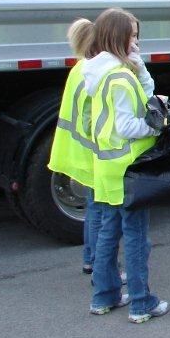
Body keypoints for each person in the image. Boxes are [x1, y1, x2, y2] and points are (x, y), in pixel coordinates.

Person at [84, 8, 169, 323]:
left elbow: (145, 92)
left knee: (109, 230)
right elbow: (127, 125)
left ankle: (103, 296)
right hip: (127, 168)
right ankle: (141, 303)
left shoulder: (102, 70)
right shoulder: (119, 77)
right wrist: (157, 128)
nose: (137, 41)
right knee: (136, 237)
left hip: (107, 165)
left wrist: (140, 66)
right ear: (118, 36)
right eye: (133, 35)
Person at [48, 19, 99, 275]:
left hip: (78, 152)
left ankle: (91, 259)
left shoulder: (79, 68)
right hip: (96, 154)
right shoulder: (98, 73)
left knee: (93, 210)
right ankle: (102, 266)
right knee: (103, 215)